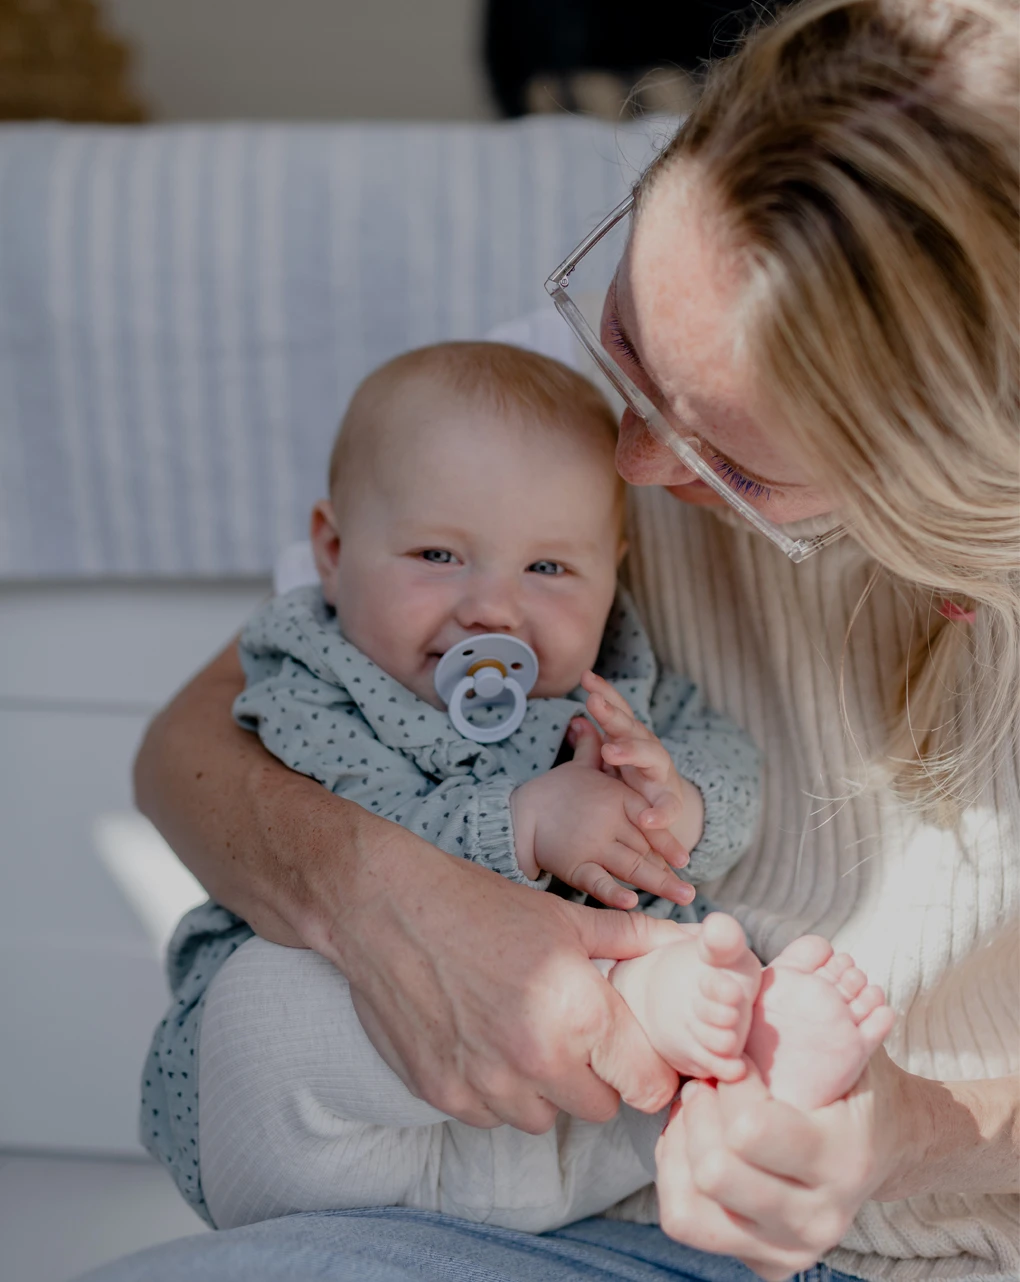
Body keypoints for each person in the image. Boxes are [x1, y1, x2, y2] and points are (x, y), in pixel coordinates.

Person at [91, 1, 1017, 1280]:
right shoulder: (523, 422)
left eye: (726, 462)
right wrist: (390, 897)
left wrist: (907, 1126)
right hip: (489, 1194)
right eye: (625, 330)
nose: (628, 459)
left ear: (937, 486)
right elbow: (193, 748)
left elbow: (711, 809)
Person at [144, 339, 892, 1232]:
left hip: (576, 1132)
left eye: (547, 569)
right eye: (436, 555)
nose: (491, 609)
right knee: (260, 1007)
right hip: (352, 1135)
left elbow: (732, 766)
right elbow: (353, 815)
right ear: (334, 552)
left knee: (716, 961)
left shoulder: (620, 684)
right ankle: (656, 1018)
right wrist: (521, 825)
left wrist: (676, 803)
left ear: (613, 573)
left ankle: (741, 1049)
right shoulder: (313, 671)